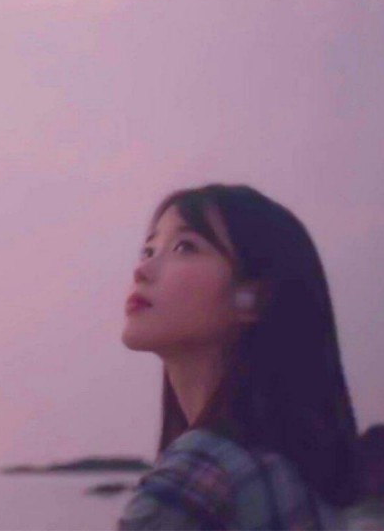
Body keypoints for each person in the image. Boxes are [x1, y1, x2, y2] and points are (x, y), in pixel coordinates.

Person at [117, 183, 362, 530]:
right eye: (148, 250)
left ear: (253, 298)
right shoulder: (292, 476)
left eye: (184, 246)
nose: (141, 270)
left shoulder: (198, 477)